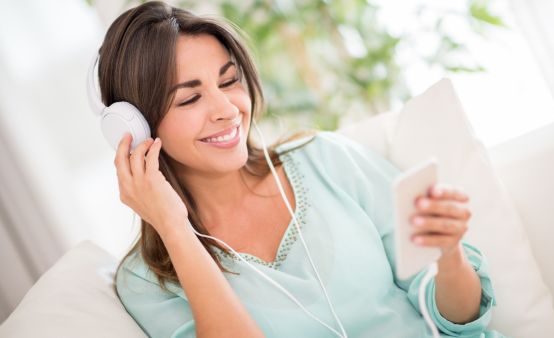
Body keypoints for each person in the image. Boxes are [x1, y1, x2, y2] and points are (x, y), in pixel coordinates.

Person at [102, 1, 506, 337]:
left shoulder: (325, 159)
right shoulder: (145, 282)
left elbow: (461, 320)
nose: (227, 110)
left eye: (229, 82)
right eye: (190, 99)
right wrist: (175, 229)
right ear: (136, 129)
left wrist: (449, 255)